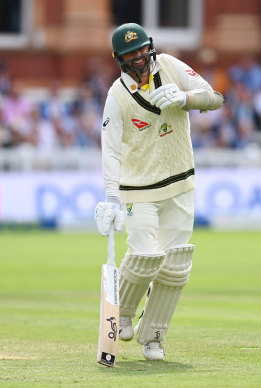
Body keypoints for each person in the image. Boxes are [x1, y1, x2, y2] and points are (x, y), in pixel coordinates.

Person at [93, 23, 223, 361]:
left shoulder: (170, 65)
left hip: (180, 180)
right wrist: (111, 198)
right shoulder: (117, 96)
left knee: (176, 266)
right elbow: (111, 151)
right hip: (138, 188)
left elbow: (215, 98)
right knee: (145, 256)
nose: (139, 57)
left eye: (142, 49)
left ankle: (153, 336)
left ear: (149, 46)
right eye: (130, 54)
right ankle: (121, 313)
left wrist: (186, 98)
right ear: (119, 59)